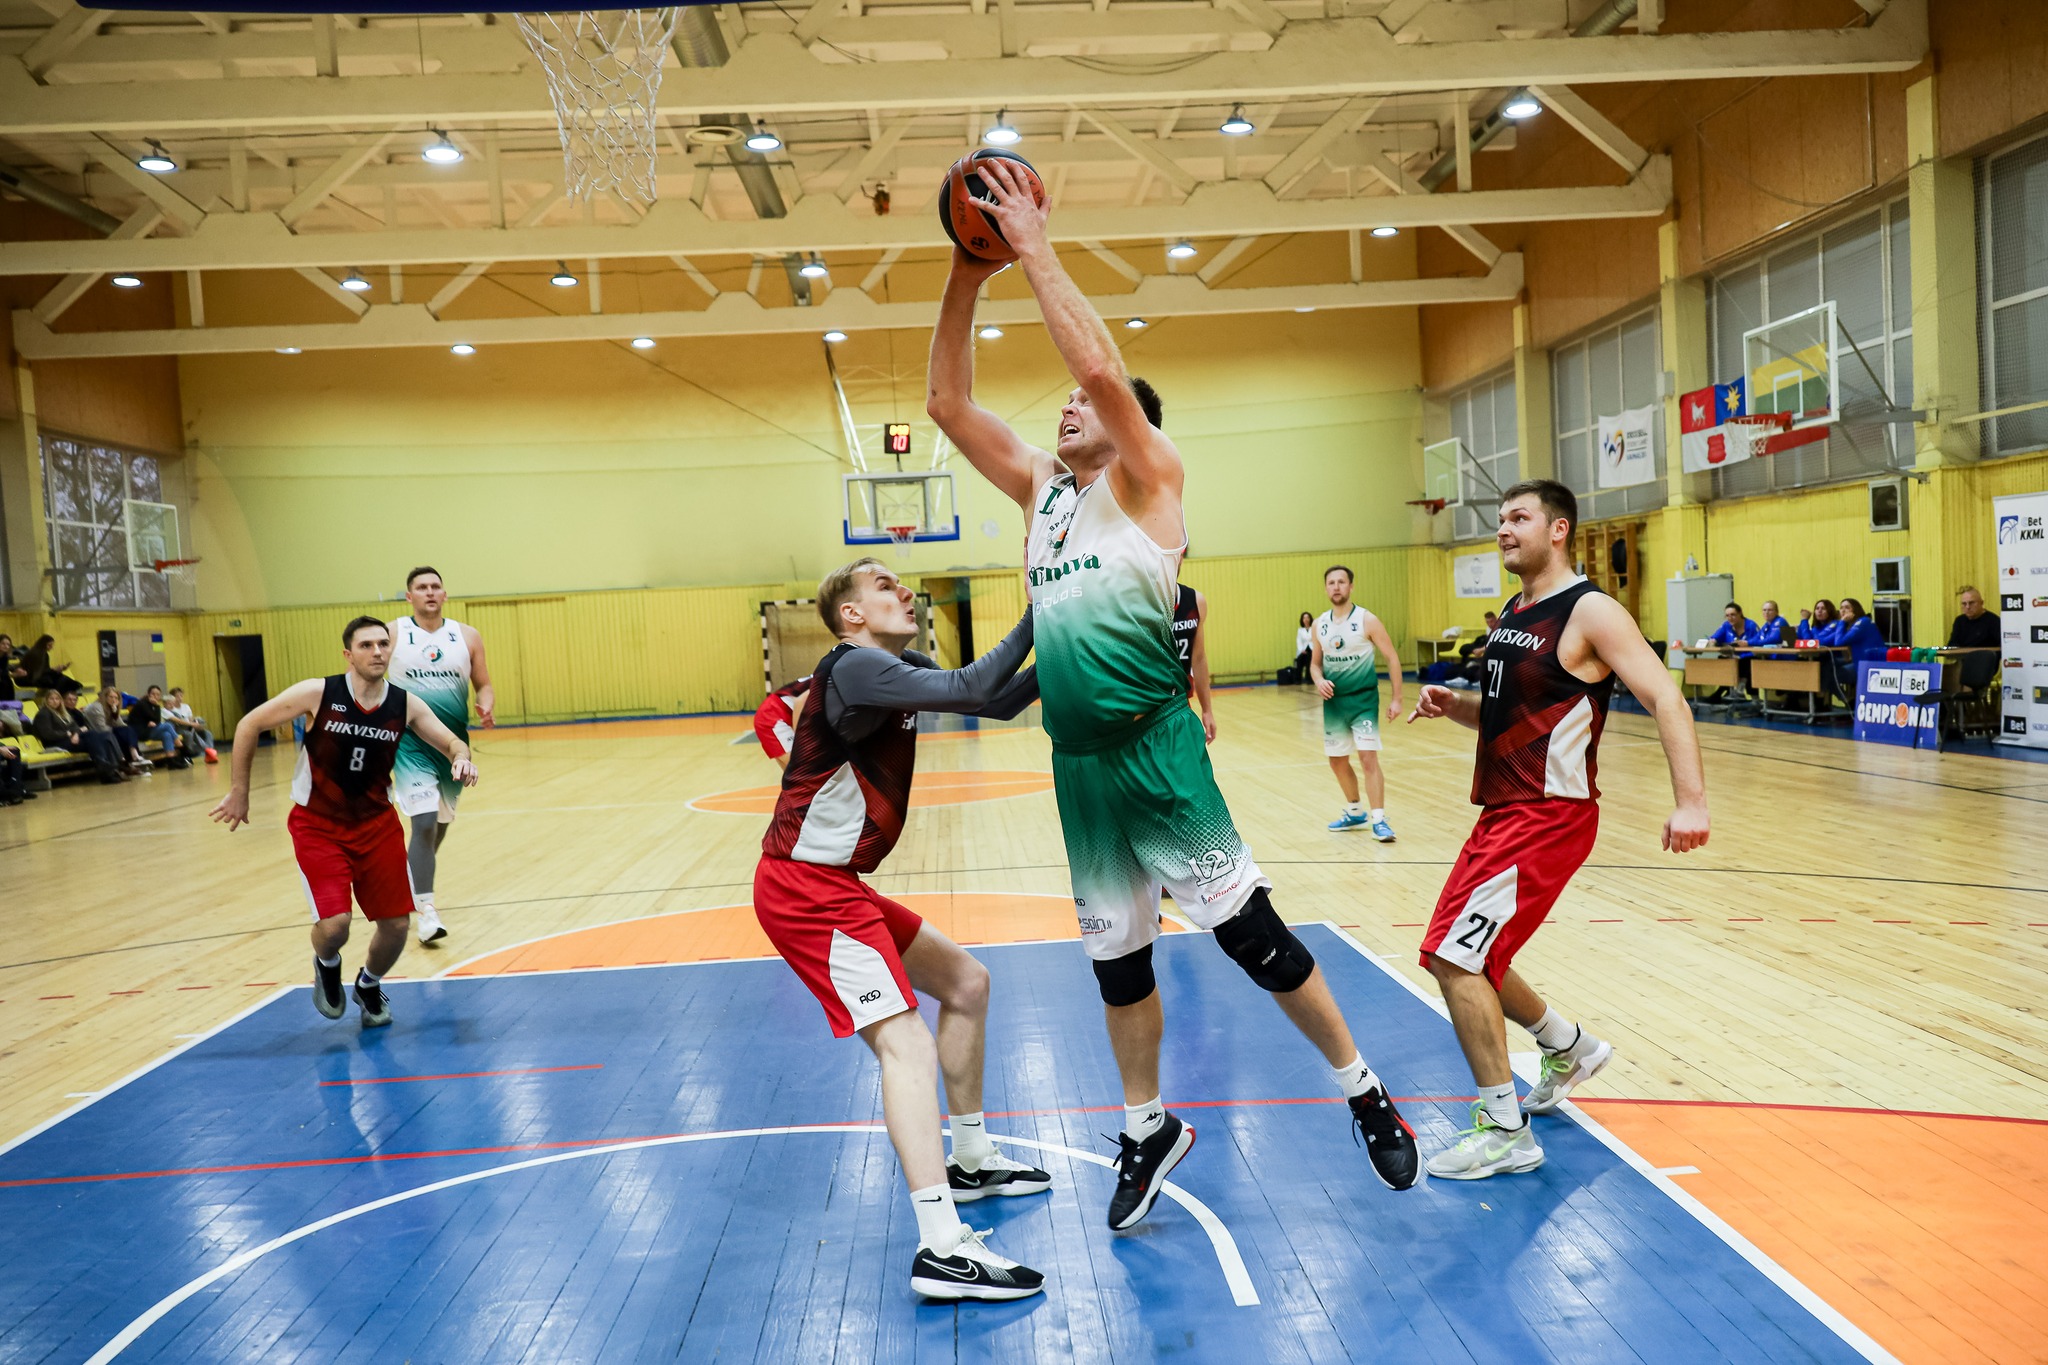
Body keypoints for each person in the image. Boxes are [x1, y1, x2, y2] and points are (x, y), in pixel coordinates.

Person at [926, 163, 1420, 1231]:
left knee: (1254, 939)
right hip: (1080, 769)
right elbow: (947, 405)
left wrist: (1034, 247)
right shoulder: (1043, 495)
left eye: (1082, 403)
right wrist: (968, 268)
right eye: (1060, 404)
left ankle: (1363, 1090)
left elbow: (1099, 367)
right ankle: (1146, 1127)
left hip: (1156, 750)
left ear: (1130, 428)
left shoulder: (1149, 482)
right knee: (1118, 967)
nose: (1066, 404)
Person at [754, 559, 1050, 1302]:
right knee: (906, 1043)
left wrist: (1071, 636)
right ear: (851, 615)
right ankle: (942, 1246)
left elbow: (997, 700)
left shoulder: (893, 666)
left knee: (967, 983)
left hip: (836, 884)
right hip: (806, 889)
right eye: (884, 586)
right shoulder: (854, 667)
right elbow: (973, 687)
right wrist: (1042, 608)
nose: (905, 591)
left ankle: (972, 1159)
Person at [1409, 479, 1709, 1180]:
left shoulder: (1590, 610)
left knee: (1456, 959)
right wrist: (1456, 704)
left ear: (1559, 529)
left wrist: (1691, 801)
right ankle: (1568, 1046)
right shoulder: (1517, 611)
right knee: (1464, 952)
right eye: (1501, 519)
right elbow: (1510, 716)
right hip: (1505, 811)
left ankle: (1504, 1131)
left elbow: (1665, 695)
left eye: (1519, 517)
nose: (1504, 529)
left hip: (1547, 815)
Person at [210, 616, 476, 1029]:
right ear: (349, 654)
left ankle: (368, 984)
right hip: (318, 825)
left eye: (383, 644)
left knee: (397, 926)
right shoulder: (319, 693)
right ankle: (327, 963)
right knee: (335, 927)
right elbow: (249, 724)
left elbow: (452, 741)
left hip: (376, 825)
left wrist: (461, 758)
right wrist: (239, 791)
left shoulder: (404, 704)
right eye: (367, 645)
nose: (377, 652)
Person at [387, 567, 494, 947]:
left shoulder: (467, 636)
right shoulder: (393, 633)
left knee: (439, 824)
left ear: (445, 594)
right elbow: (367, 679)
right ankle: (427, 912)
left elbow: (483, 683)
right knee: (425, 821)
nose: (429, 592)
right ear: (409, 596)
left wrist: (485, 704)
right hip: (408, 743)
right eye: (422, 587)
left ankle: (411, 880)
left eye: (435, 586)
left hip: (452, 745)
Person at [1311, 565, 1403, 839]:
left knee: (1367, 757)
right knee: (1337, 761)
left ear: (1351, 586)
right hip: (1334, 704)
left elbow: (1392, 657)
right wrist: (1319, 680)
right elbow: (1315, 664)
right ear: (1326, 588)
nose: (1336, 587)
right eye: (1331, 583)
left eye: (1341, 582)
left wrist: (1397, 699)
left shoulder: (1367, 620)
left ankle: (1379, 820)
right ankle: (1354, 811)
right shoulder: (1319, 624)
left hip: (1363, 701)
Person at [32, 688, 123, 782]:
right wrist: (67, 734)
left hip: (70, 739)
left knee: (99, 737)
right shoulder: (44, 714)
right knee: (94, 738)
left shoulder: (63, 713)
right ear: (46, 700)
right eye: (51, 699)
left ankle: (109, 768)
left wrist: (75, 734)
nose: (55, 701)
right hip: (56, 742)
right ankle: (108, 769)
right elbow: (48, 734)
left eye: (57, 699)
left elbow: (74, 727)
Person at [1173, 583, 1216, 742]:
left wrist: (1207, 710)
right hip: (1149, 704)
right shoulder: (1141, 601)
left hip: (1180, 702)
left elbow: (1198, 658)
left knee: (1192, 753)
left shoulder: (1195, 601)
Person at [82, 687, 151, 776]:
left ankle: (134, 756)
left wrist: (115, 712)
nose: (114, 700)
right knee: (121, 734)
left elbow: (121, 725)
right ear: (104, 697)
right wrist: (120, 729)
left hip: (107, 732)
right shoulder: (97, 707)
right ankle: (130, 761)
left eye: (116, 698)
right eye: (111, 697)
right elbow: (101, 728)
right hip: (97, 735)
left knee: (128, 730)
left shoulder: (109, 707)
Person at [1947, 586, 2000, 694]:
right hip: (1962, 662)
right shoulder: (1960, 621)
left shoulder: (1993, 621)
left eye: (1971, 603)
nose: (1967, 607)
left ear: (1981, 603)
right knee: (1945, 673)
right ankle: (1949, 702)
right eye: (1964, 604)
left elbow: (2000, 648)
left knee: (1966, 673)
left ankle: (1965, 702)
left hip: (1984, 666)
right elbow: (1952, 644)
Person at [753, 674, 813, 769]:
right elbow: (801, 701)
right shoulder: (827, 683)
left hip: (788, 712)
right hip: (773, 715)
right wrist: (800, 740)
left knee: (798, 773)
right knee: (803, 768)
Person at [126, 685, 191, 770]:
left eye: (157, 694)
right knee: (167, 725)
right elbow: (153, 718)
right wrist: (156, 707)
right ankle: (181, 747)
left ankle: (171, 761)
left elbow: (156, 721)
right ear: (148, 694)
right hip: (138, 732)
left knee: (166, 734)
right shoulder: (142, 703)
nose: (155, 696)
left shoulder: (153, 705)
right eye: (153, 694)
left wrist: (155, 710)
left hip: (148, 730)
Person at [1835, 597, 1887, 696]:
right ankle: (1849, 699)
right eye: (1841, 608)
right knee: (1827, 668)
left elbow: (1839, 642)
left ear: (1855, 610)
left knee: (1833, 674)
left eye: (1847, 607)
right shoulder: (1850, 625)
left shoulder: (1863, 622)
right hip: (1859, 662)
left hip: (1870, 665)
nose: (1843, 610)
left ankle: (1847, 699)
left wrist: (1841, 622)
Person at [164, 687, 217, 762]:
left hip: (190, 727)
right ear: (172, 698)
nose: (179, 698)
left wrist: (196, 723)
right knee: (190, 734)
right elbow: (178, 721)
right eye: (177, 696)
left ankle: (209, 751)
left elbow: (191, 719)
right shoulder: (170, 709)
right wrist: (192, 724)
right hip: (181, 729)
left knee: (208, 733)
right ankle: (207, 752)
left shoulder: (186, 706)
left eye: (181, 696)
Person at [1293, 611, 1314, 681]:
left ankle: (1309, 679)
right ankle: (1297, 680)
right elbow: (1299, 641)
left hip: (1312, 648)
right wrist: (1301, 650)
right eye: (1304, 618)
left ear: (1310, 619)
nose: (1306, 619)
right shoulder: (1300, 630)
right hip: (1303, 649)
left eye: (1307, 617)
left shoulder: (1314, 628)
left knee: (1309, 660)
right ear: (1302, 620)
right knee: (1299, 661)